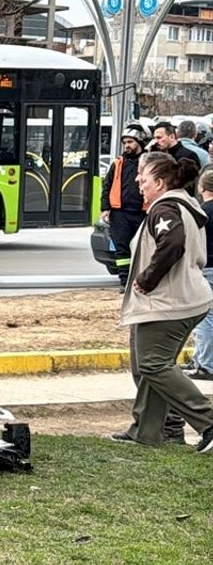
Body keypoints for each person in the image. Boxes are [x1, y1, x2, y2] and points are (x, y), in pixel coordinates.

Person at [112, 151, 213, 453]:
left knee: (153, 364)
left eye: (142, 179)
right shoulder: (183, 204)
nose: (138, 183)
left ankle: (207, 421)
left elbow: (172, 243)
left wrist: (147, 279)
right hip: (183, 299)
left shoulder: (165, 208)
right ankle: (145, 430)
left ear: (158, 182)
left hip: (169, 302)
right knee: (152, 365)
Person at [100, 125, 150, 290]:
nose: (127, 145)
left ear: (140, 142)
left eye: (130, 142)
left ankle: (142, 281)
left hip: (143, 212)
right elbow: (107, 186)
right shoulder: (118, 163)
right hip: (120, 213)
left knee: (143, 248)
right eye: (125, 142)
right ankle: (125, 282)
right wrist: (105, 208)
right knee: (122, 249)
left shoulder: (149, 161)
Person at [187, 169, 213, 382]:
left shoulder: (202, 213)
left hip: (207, 269)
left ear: (202, 188)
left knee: (205, 317)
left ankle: (205, 364)